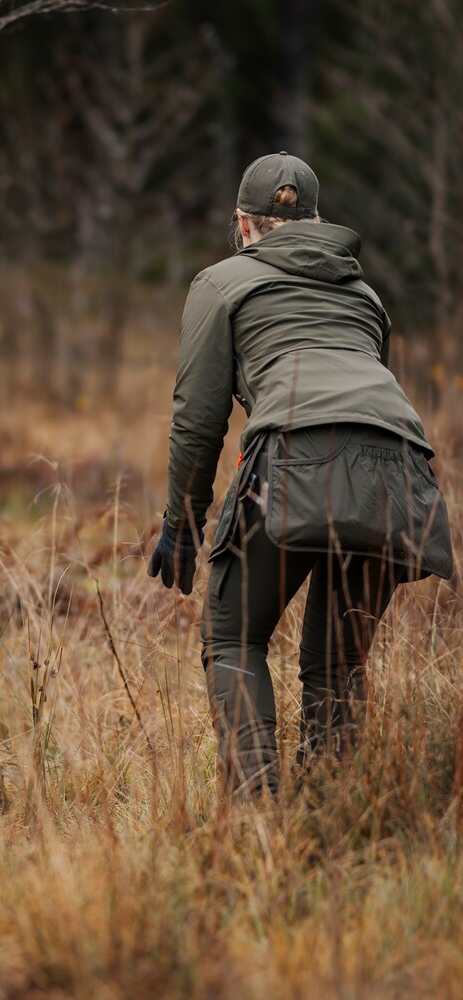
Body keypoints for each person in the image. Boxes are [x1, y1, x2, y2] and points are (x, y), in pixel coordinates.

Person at [148, 151, 453, 798]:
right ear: (317, 219)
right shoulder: (365, 294)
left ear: (242, 222)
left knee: (232, 638)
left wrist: (182, 520)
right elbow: (368, 403)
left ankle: (257, 821)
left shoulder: (221, 282)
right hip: (402, 473)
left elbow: (198, 418)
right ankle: (333, 812)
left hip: (290, 457)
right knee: (338, 664)